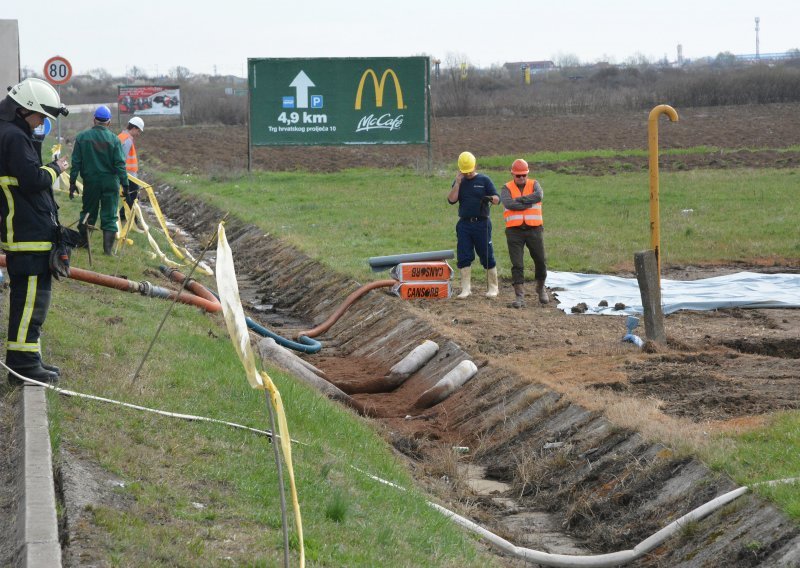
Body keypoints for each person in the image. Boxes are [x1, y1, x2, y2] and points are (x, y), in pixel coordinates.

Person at [0, 78, 70, 384]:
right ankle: (23, 366)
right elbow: (31, 179)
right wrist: (56, 168)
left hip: (29, 231)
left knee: (33, 299)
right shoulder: (13, 137)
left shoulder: (14, 133)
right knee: (30, 300)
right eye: (40, 116)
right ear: (24, 109)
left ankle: (27, 359)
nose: (42, 123)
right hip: (27, 234)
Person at [69, 105, 129, 255]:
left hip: (91, 182)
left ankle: (83, 244)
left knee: (88, 212)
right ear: (108, 122)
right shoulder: (114, 140)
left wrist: (72, 183)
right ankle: (108, 251)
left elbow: (75, 163)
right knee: (109, 215)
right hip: (110, 183)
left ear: (94, 120)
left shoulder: (82, 137)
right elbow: (120, 164)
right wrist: (125, 184)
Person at [447, 151, 500, 299]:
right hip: (464, 224)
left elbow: (497, 198)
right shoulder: (459, 181)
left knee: (486, 254)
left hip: (482, 224)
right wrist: (457, 183)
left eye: (470, 170)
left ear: (475, 165)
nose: (468, 174)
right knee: (464, 254)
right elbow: (451, 200)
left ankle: (493, 287)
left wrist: (490, 198)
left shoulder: (484, 180)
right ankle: (466, 289)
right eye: (465, 171)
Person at [500, 159, 549, 308]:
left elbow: (538, 196)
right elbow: (508, 203)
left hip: (534, 229)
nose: (521, 178)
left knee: (540, 260)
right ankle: (519, 297)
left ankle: (540, 288)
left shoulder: (535, 184)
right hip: (514, 231)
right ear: (512, 174)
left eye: (523, 175)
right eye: (518, 176)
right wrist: (527, 204)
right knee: (517, 264)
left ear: (527, 174)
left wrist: (520, 200)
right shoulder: (506, 188)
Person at [118, 116, 144, 216]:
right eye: (138, 131)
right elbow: (121, 160)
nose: (138, 134)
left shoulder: (121, 136)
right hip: (128, 175)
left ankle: (126, 216)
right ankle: (124, 216)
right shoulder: (127, 140)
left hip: (127, 174)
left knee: (132, 196)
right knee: (134, 196)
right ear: (133, 128)